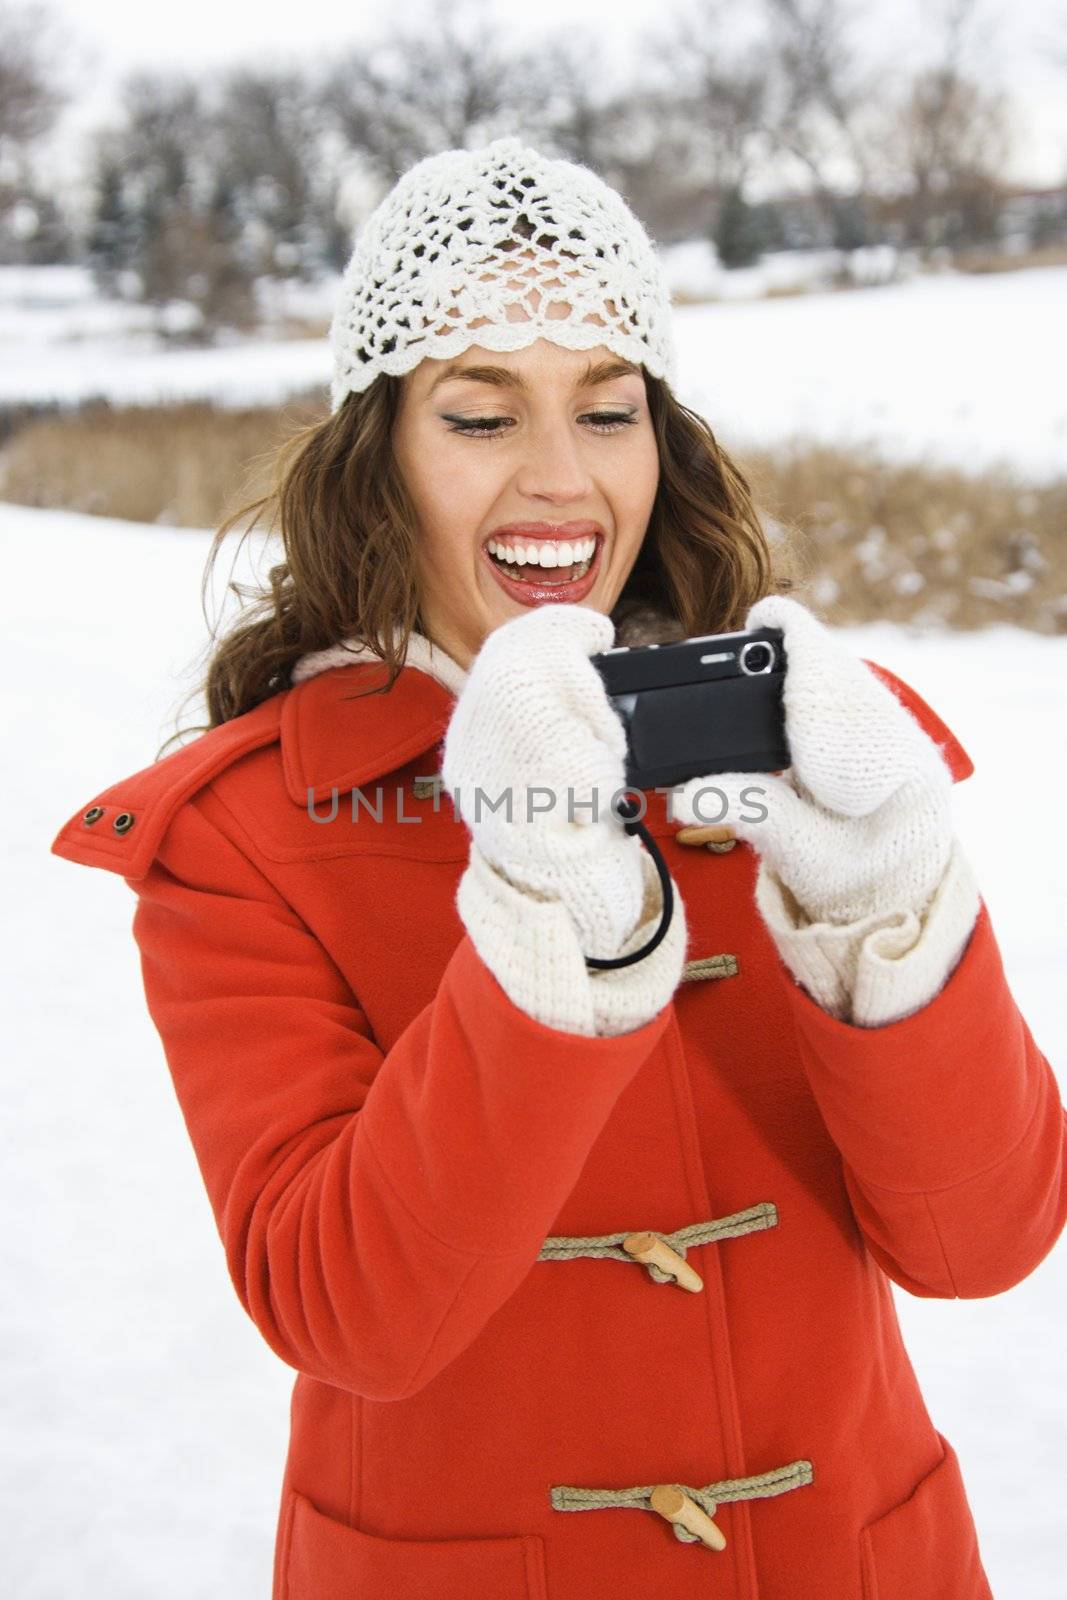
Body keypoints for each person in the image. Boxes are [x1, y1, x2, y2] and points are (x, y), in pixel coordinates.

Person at [51, 136, 1064, 1600]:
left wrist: (886, 903)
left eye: (608, 409)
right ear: (378, 455)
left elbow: (984, 1242)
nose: (560, 479)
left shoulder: (801, 761)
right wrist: (557, 927)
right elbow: (350, 1313)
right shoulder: (245, 836)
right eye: (480, 414)